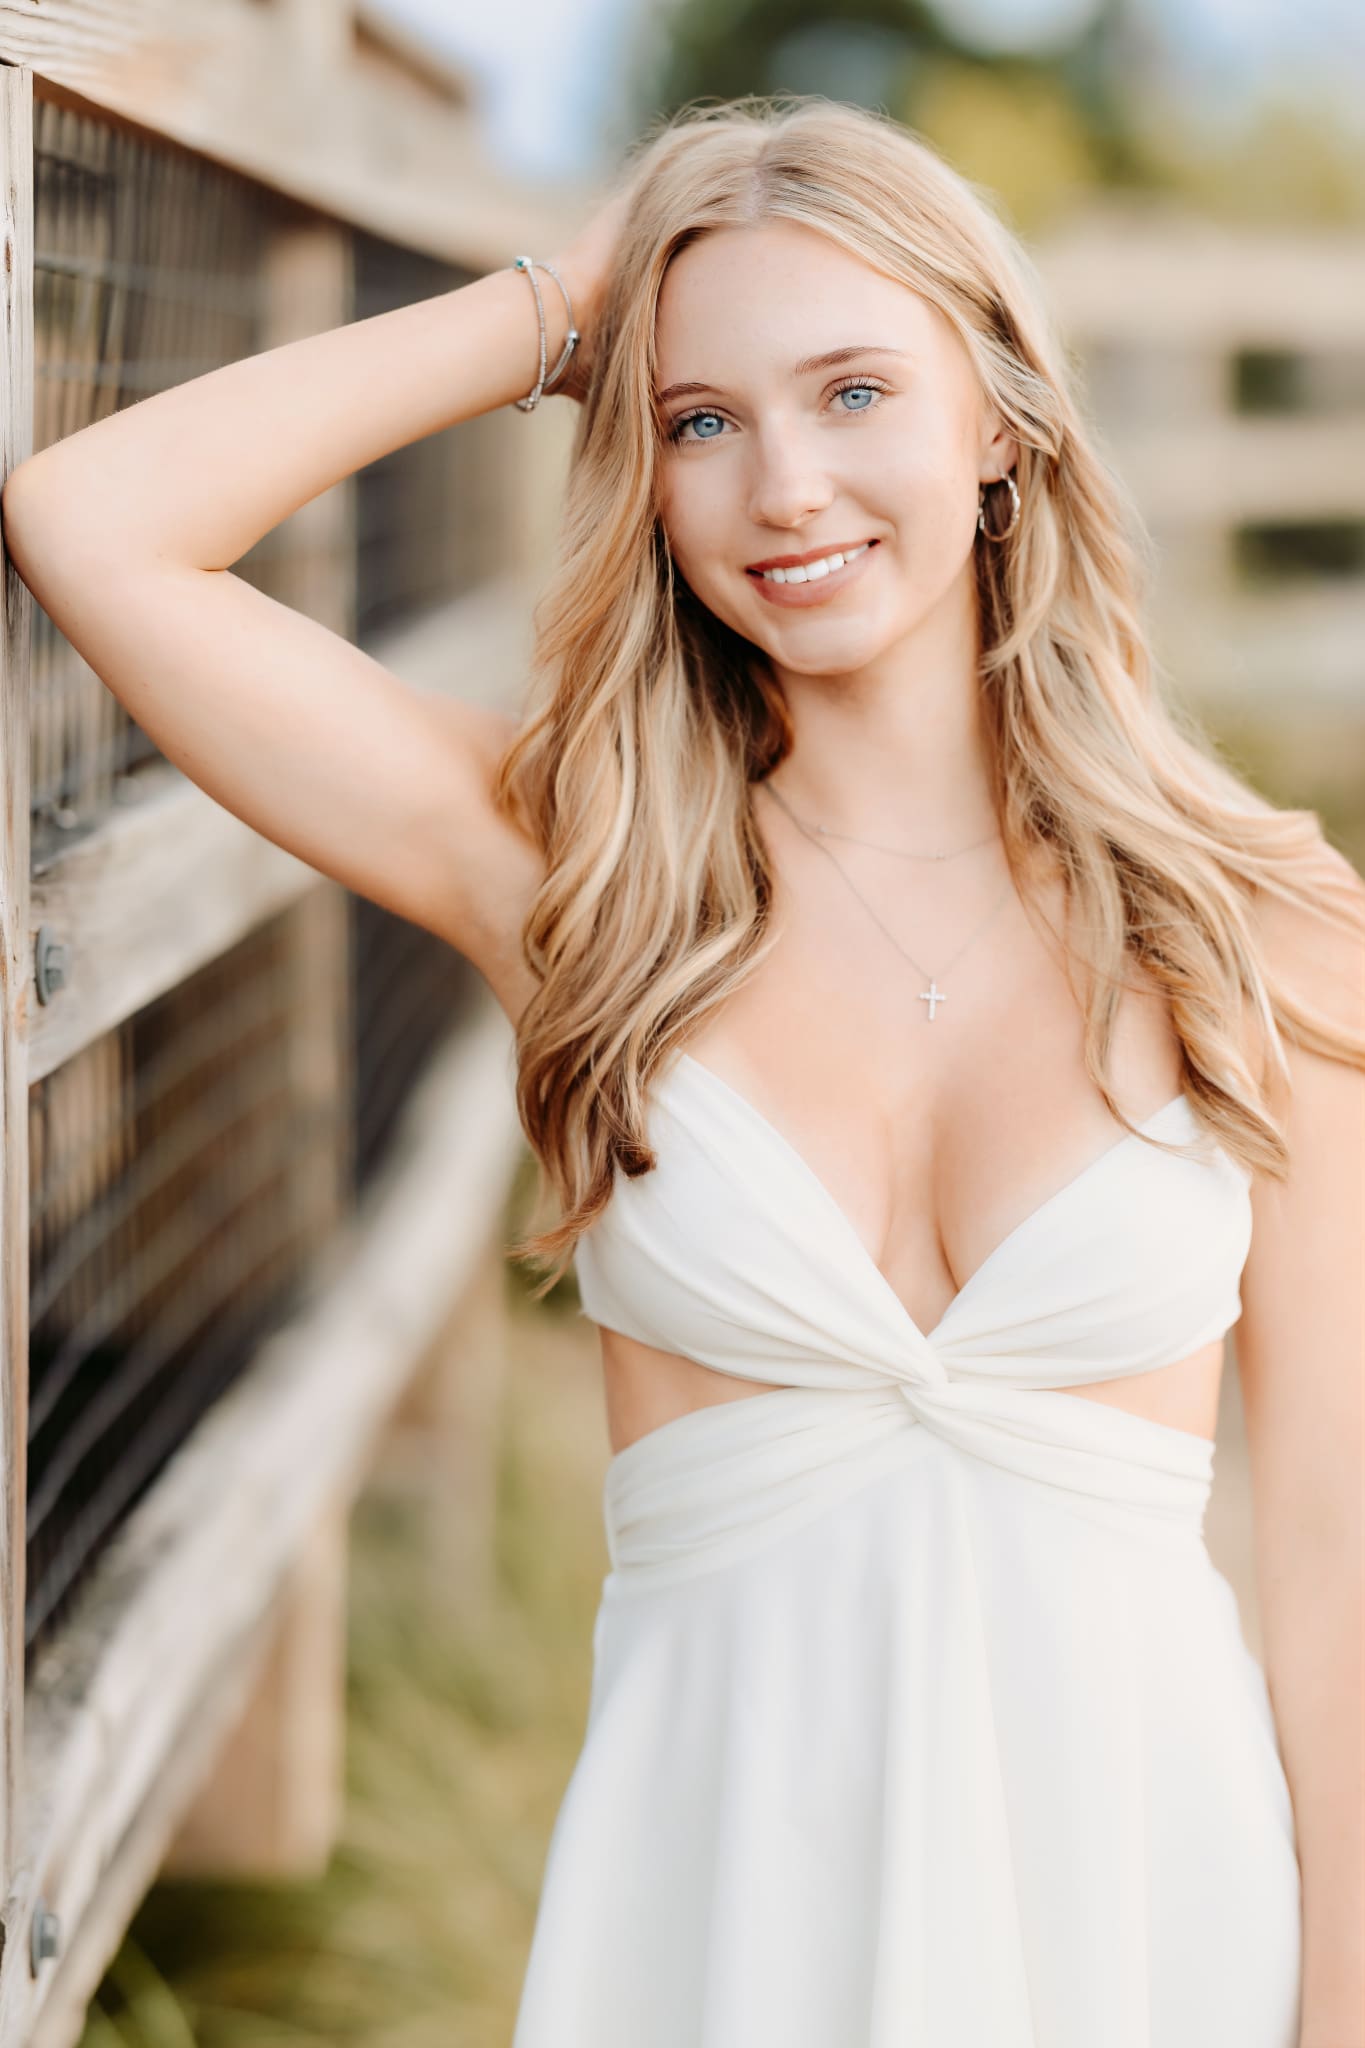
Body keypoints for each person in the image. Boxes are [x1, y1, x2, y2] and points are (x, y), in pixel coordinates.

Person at [3, 91, 1361, 2048]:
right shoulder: (573, 873)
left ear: (998, 418)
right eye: (699, 421)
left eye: (852, 391)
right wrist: (560, 307)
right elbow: (97, 525)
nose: (783, 488)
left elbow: (1334, 1559)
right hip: (721, 1918)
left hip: (1146, 1918)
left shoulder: (1262, 925)